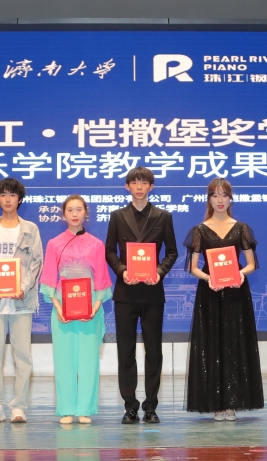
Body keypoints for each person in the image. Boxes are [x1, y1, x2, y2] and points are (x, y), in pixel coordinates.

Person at [184, 178, 264, 421]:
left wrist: (239, 274)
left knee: (234, 342)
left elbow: (251, 264)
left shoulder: (241, 228)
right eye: (215, 195)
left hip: (235, 292)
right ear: (208, 199)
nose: (220, 200)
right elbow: (193, 267)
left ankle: (232, 402)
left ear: (230, 199)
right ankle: (215, 404)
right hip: (210, 292)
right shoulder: (199, 230)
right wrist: (210, 278)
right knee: (211, 344)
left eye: (224, 195)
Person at [105, 167, 179, 424]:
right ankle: (129, 406)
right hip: (125, 292)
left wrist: (159, 271)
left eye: (144, 182)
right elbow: (109, 251)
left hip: (152, 292)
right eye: (134, 182)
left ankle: (150, 406)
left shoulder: (163, 216)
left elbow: (172, 251)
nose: (139, 186)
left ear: (151, 186)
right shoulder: (117, 216)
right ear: (127, 186)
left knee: (153, 351)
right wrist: (122, 270)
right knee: (126, 351)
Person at [40, 195, 112, 424]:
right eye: (70, 209)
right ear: (63, 214)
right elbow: (49, 277)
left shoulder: (96, 244)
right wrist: (58, 306)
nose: (74, 213)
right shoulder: (54, 243)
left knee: (89, 360)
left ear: (85, 213)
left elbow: (102, 278)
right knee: (64, 359)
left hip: (90, 306)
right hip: (63, 307)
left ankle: (85, 409)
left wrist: (95, 306)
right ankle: (66, 409)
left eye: (79, 209)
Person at [0, 178, 43, 424]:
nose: (8, 199)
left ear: (19, 199)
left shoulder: (30, 229)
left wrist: (23, 288)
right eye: (3, 195)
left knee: (22, 356)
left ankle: (18, 407)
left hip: (21, 302)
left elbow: (36, 262)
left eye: (12, 195)